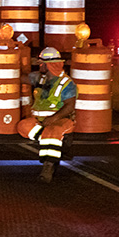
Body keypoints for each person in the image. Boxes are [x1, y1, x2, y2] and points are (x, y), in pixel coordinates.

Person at [17, 47, 77, 183]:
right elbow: (21, 78)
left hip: (61, 121)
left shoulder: (66, 83)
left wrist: (53, 119)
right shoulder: (40, 77)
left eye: (41, 63)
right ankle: (57, 143)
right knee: (23, 126)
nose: (40, 65)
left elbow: (69, 106)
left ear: (48, 64)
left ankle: (48, 166)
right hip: (40, 122)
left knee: (53, 131)